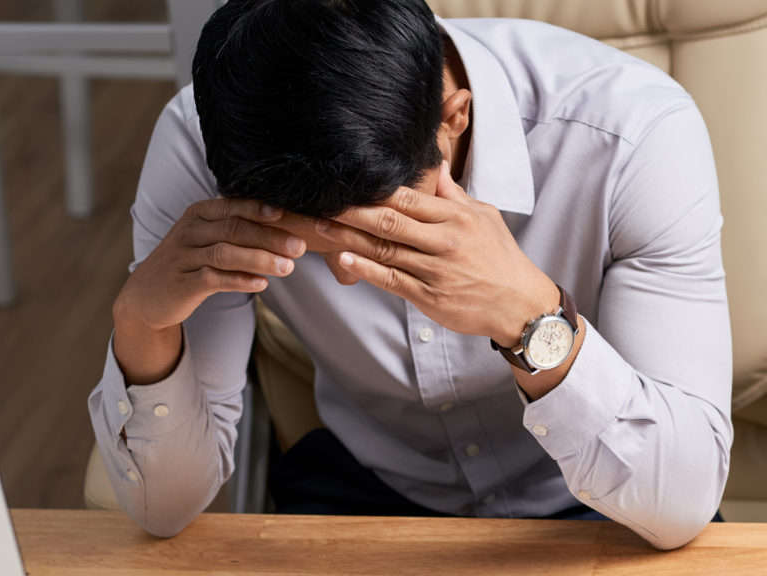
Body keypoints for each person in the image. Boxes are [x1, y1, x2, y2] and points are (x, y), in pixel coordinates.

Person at [88, 0, 732, 550]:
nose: (348, 275)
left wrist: (531, 318)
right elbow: (161, 509)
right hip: (362, 494)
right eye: (311, 243)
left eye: (376, 229)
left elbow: (679, 503)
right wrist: (140, 321)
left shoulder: (631, 135)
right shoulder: (201, 146)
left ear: (453, 119)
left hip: (610, 504)